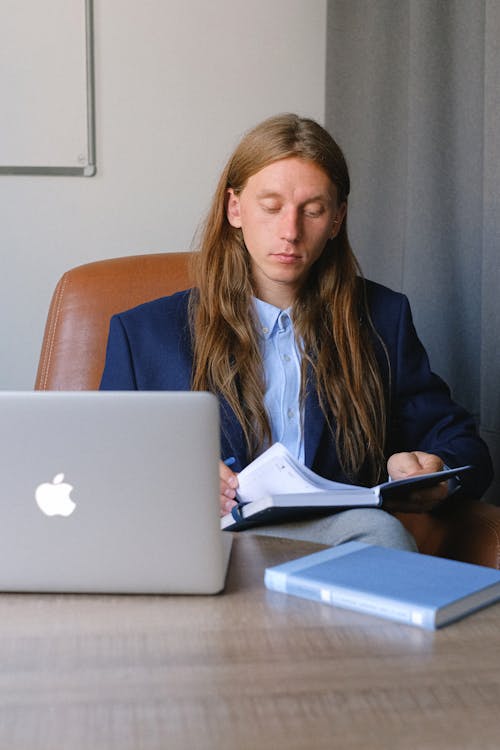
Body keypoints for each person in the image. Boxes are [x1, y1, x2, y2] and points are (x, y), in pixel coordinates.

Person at [100, 113, 493, 551]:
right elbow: (101, 464)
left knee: (383, 534)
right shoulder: (143, 334)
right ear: (235, 209)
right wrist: (174, 475)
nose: (290, 231)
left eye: (313, 210)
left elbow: (462, 445)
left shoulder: (383, 318)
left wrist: (434, 472)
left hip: (337, 536)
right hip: (199, 536)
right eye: (270, 207)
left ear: (337, 219)